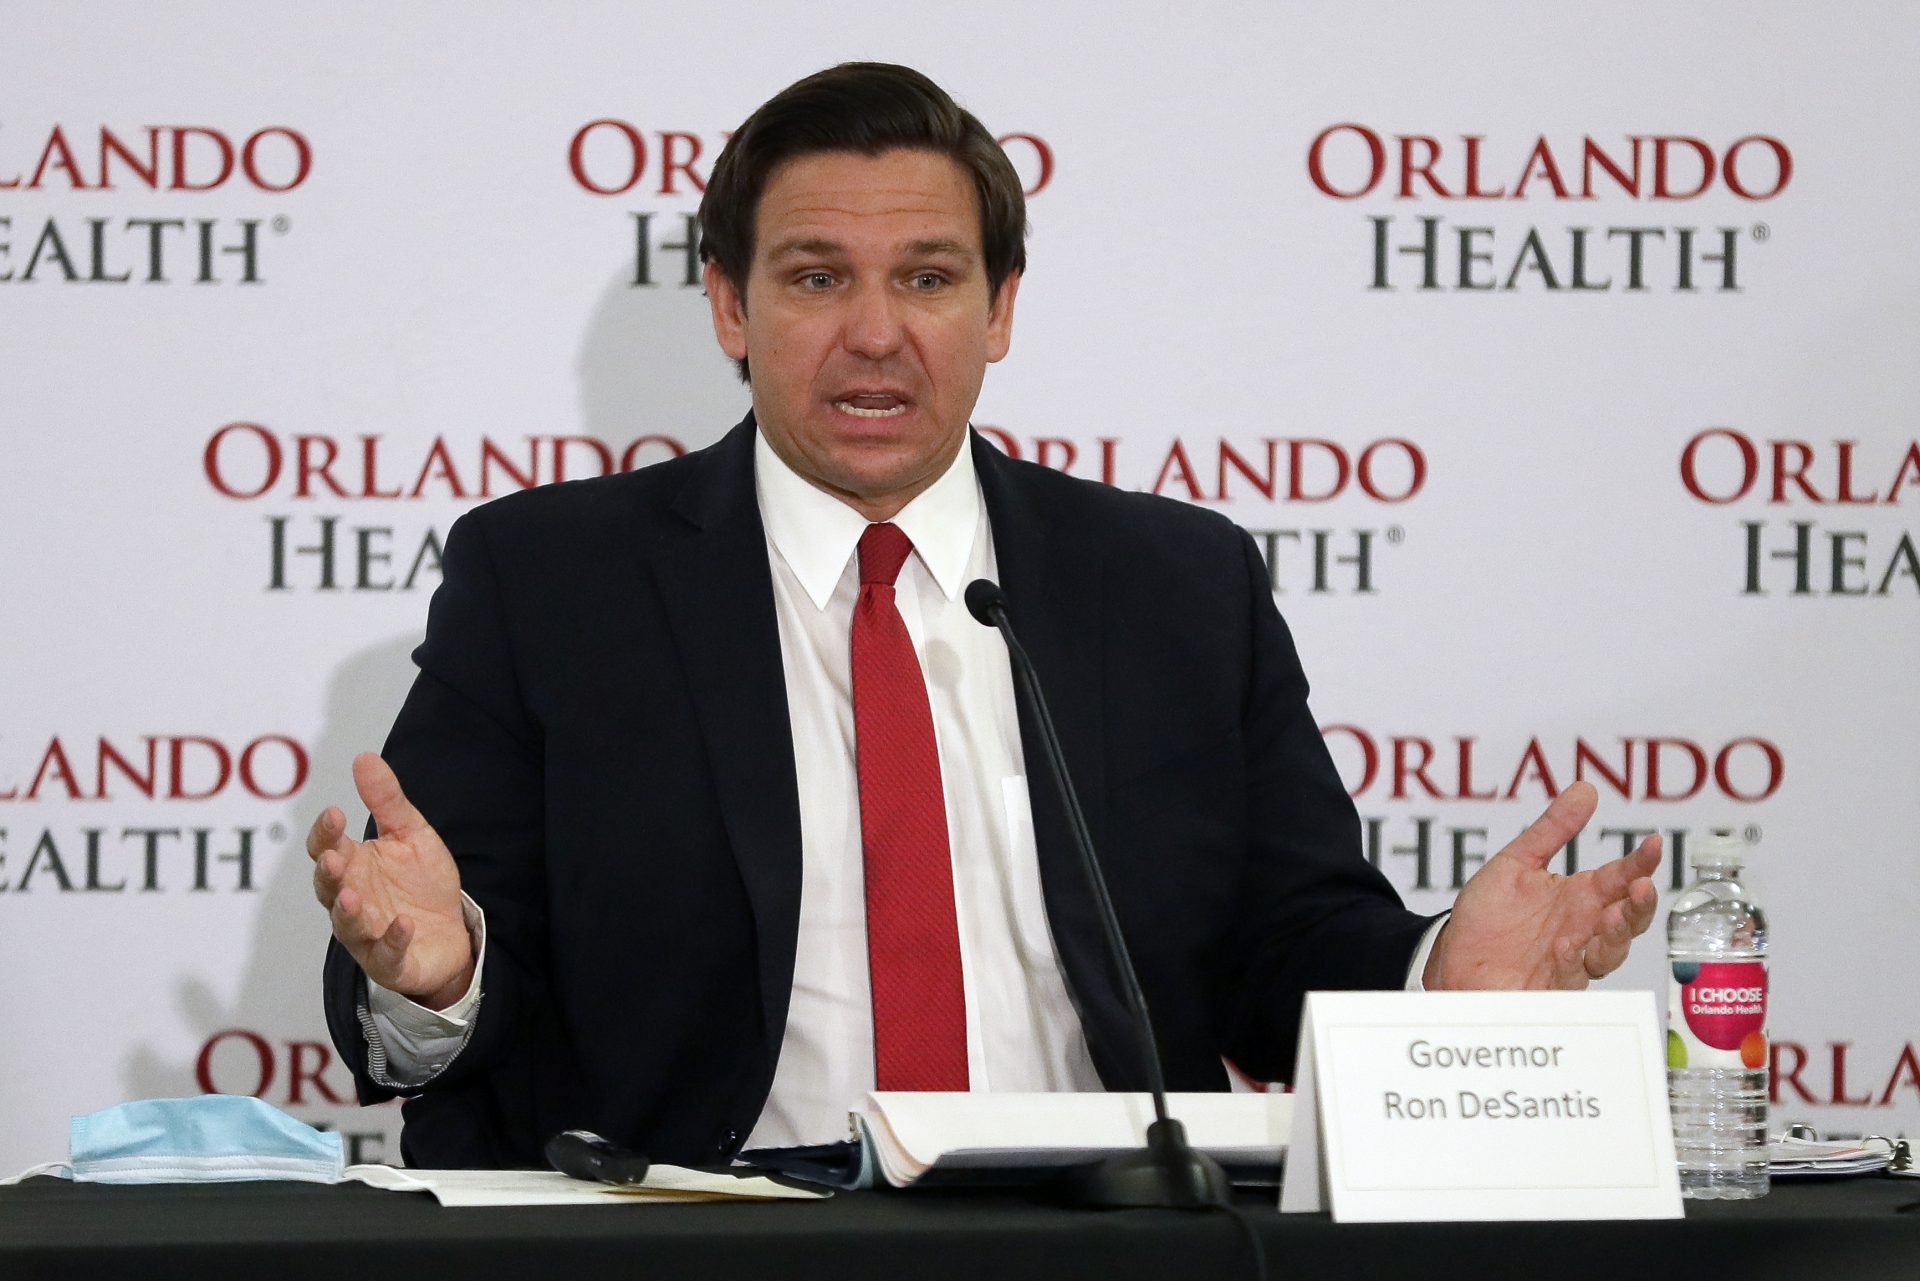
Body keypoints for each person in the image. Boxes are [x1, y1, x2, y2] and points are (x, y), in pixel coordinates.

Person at [311, 63, 1660, 1170]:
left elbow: (1286, 942)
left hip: (1103, 1234)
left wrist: (1436, 993)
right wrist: (441, 969)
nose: (878, 333)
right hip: (708, 1231)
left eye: (933, 277)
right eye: (817, 276)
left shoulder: (1174, 582)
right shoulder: (552, 584)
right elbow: (429, 988)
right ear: (729, 303)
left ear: (1003, 307)